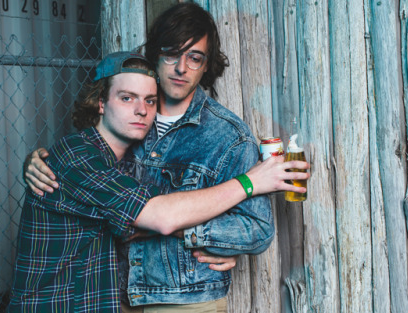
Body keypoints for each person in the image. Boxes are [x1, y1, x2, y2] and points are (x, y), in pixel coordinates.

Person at [24, 3, 311, 312]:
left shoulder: (229, 136)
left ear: (205, 66)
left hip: (183, 300)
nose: (181, 68)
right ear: (156, 55)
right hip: (110, 293)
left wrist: (199, 235)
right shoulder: (128, 120)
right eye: (172, 54)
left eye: (195, 58)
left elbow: (257, 231)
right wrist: (41, 160)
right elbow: (85, 165)